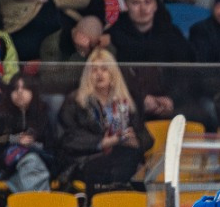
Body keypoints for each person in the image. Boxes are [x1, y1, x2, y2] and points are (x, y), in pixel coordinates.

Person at [56, 48, 151, 189]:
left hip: (123, 157)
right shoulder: (75, 101)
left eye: (104, 69)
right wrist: (101, 143)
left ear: (113, 74)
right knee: (124, 161)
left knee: (128, 156)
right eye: (94, 70)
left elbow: (146, 136)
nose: (99, 74)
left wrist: (136, 142)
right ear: (88, 75)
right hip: (86, 161)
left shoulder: (127, 100)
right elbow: (66, 139)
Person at [109, 0, 195, 121]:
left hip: (171, 104)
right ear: (126, 5)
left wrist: (172, 99)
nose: (143, 9)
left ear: (155, 5)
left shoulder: (172, 34)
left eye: (148, 2)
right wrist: (140, 100)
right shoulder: (113, 36)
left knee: (204, 112)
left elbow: (187, 72)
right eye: (136, 3)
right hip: (129, 107)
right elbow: (110, 79)